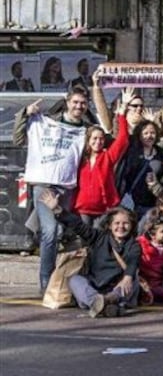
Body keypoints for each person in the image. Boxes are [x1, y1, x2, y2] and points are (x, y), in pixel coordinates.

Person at [14, 86, 91, 292]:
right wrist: (24, 114)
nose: (79, 106)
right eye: (75, 102)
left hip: (67, 188)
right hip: (44, 184)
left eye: (83, 103)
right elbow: (18, 139)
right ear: (67, 102)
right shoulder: (46, 122)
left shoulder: (86, 129)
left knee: (65, 232)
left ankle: (62, 277)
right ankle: (46, 282)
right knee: (51, 231)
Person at [38, 189, 139, 318]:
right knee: (75, 280)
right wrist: (58, 210)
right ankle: (100, 303)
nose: (121, 227)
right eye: (117, 223)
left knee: (132, 279)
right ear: (109, 225)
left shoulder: (134, 245)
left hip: (117, 289)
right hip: (95, 289)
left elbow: (133, 261)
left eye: (126, 223)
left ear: (131, 226)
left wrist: (128, 277)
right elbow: (78, 226)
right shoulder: (98, 237)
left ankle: (108, 301)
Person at [73, 101, 130, 224]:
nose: (98, 142)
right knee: (85, 240)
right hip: (83, 208)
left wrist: (122, 115)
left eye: (101, 139)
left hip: (104, 209)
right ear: (88, 140)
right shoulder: (81, 158)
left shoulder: (107, 157)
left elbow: (123, 139)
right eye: (94, 138)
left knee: (99, 241)